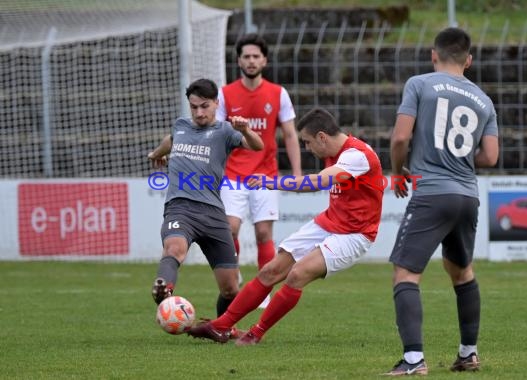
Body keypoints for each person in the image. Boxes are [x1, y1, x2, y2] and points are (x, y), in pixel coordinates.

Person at [188, 107, 383, 345]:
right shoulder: (339, 151)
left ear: (322, 137)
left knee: (297, 275)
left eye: (308, 142)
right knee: (270, 270)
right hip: (329, 221)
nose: (307, 149)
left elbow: (319, 181)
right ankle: (221, 326)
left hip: (355, 235)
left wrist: (273, 182)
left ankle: (255, 333)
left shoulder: (357, 155)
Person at [383, 27, 499, 376]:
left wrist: (398, 171)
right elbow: (490, 157)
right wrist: (459, 161)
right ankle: (468, 353)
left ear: (434, 55)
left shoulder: (420, 84)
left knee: (405, 273)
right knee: (461, 272)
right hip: (467, 195)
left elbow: (401, 136)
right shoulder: (484, 100)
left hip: (432, 192)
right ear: (470, 60)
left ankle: (414, 360)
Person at [148, 78, 264, 326]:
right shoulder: (180, 126)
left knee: (231, 288)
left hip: (212, 213)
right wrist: (156, 154)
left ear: (216, 104)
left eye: (204, 106)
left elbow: (258, 146)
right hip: (180, 207)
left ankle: (219, 327)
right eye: (194, 107)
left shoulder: (224, 131)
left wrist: (244, 129)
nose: (199, 112)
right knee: (174, 250)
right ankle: (163, 287)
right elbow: (170, 140)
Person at [216, 33, 302, 308]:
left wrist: (297, 174)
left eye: (256, 56)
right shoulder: (225, 93)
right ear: (238, 60)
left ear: (264, 60)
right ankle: (235, 274)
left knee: (263, 234)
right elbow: (217, 135)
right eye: (246, 56)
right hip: (233, 174)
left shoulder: (278, 93)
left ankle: (263, 289)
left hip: (265, 175)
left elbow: (289, 134)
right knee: (230, 229)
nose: (251, 61)